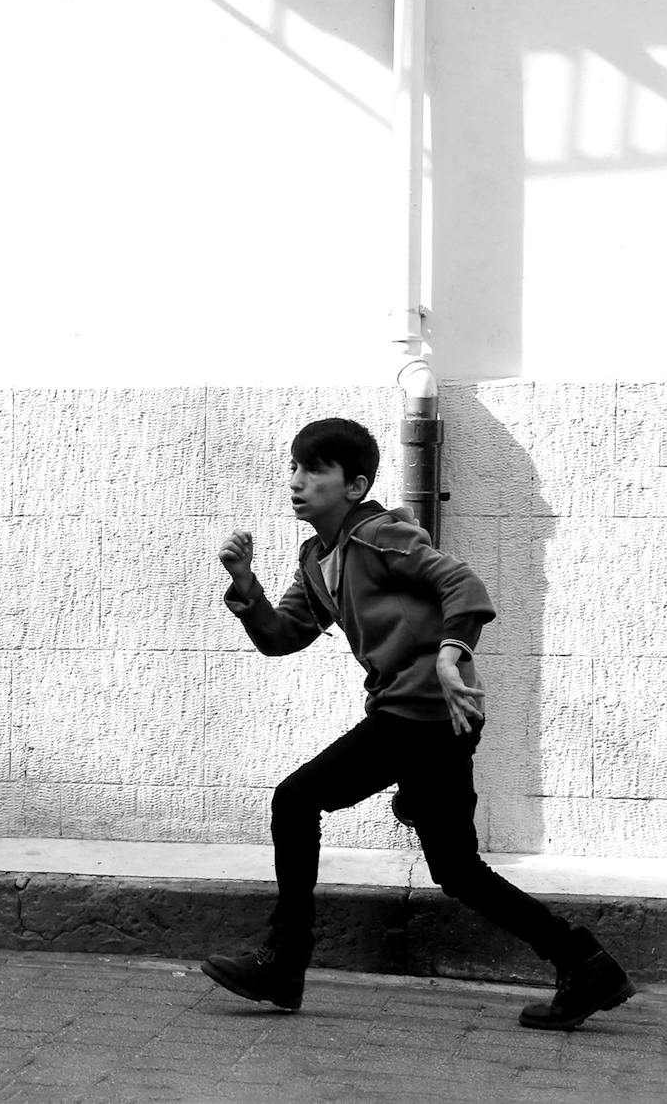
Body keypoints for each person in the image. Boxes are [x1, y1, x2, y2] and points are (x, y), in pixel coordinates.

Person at [201, 417, 635, 1031]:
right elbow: (282, 636)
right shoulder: (317, 558)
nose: (297, 481)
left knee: (295, 800)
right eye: (294, 468)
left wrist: (452, 653)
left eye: (314, 470)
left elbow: (462, 581)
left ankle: (284, 960)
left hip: (418, 712)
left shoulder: (380, 534)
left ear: (354, 485)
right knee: (457, 870)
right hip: (429, 721)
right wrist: (246, 587)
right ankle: (584, 962)